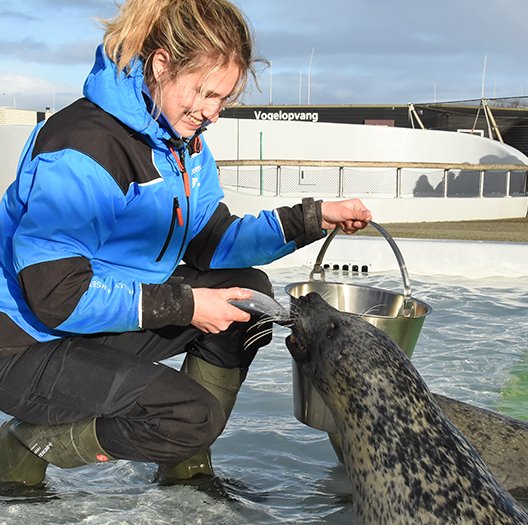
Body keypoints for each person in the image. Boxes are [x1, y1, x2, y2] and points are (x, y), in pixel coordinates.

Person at [0, 0, 371, 487]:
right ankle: (28, 444)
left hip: (91, 323)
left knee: (247, 294)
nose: (213, 113)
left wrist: (309, 219)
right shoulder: (83, 148)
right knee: (189, 415)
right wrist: (186, 305)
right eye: (205, 93)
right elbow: (56, 297)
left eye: (224, 99)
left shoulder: (181, 143)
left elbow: (211, 244)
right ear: (161, 65)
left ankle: (184, 462)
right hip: (24, 344)